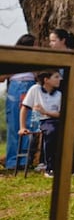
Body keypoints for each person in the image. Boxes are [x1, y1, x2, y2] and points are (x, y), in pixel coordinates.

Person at [3, 33, 37, 170]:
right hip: (16, 88)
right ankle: (12, 161)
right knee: (14, 125)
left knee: (29, 124)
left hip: (31, 86)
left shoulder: (37, 59)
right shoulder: (12, 57)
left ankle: (24, 160)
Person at [19, 70, 62, 178]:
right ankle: (49, 167)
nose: (59, 79)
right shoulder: (35, 89)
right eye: (56, 77)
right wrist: (22, 127)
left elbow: (60, 114)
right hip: (40, 120)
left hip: (54, 119)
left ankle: (63, 165)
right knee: (51, 130)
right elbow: (24, 108)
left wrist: (45, 112)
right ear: (46, 80)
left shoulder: (59, 94)